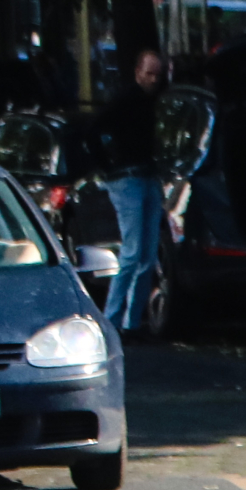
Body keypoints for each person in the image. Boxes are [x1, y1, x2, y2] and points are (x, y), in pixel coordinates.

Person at [91, 48, 165, 333]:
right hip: (128, 178)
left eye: (157, 75)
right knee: (134, 252)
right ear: (137, 73)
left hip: (145, 175)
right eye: (149, 74)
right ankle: (112, 320)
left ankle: (131, 323)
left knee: (146, 255)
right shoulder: (125, 101)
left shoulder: (151, 102)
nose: (153, 80)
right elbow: (93, 129)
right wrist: (107, 166)